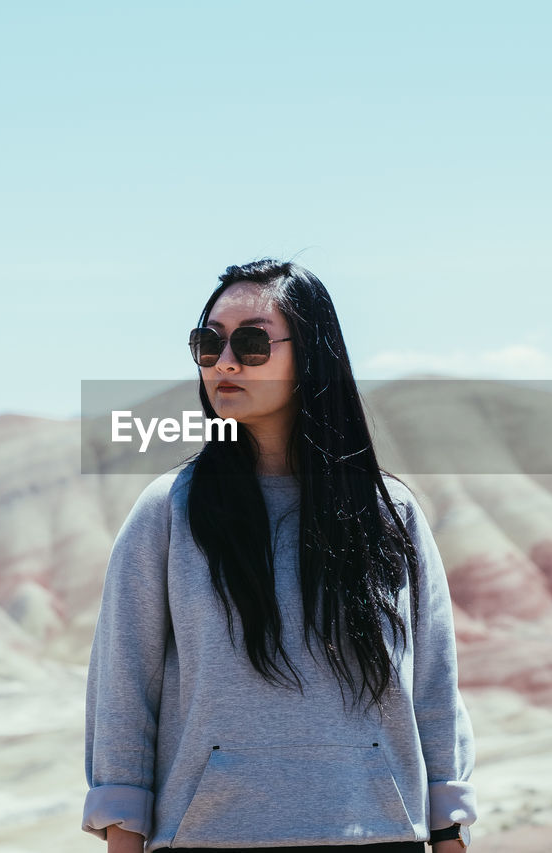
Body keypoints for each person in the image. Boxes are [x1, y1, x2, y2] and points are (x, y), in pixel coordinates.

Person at [82, 258, 478, 852]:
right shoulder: (167, 512)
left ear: (313, 354)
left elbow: (433, 688)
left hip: (379, 836)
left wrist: (450, 831)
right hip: (212, 839)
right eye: (207, 343)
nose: (226, 362)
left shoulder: (389, 514)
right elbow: (123, 696)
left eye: (251, 342)